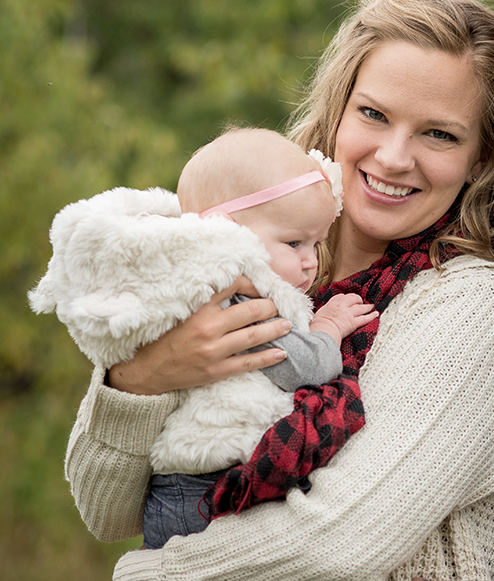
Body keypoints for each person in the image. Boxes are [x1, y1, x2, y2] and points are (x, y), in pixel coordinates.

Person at [63, 0, 494, 581]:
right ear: (338, 112)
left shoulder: (475, 306)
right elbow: (106, 510)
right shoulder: (243, 247)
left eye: (439, 134)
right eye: (373, 114)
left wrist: (143, 576)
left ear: (479, 158)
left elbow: (339, 541)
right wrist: (136, 381)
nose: (395, 157)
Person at [31, 128, 376, 549]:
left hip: (185, 490)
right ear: (230, 234)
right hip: (206, 493)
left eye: (317, 243)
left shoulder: (180, 287)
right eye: (295, 242)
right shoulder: (234, 300)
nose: (310, 262)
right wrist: (328, 327)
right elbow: (308, 367)